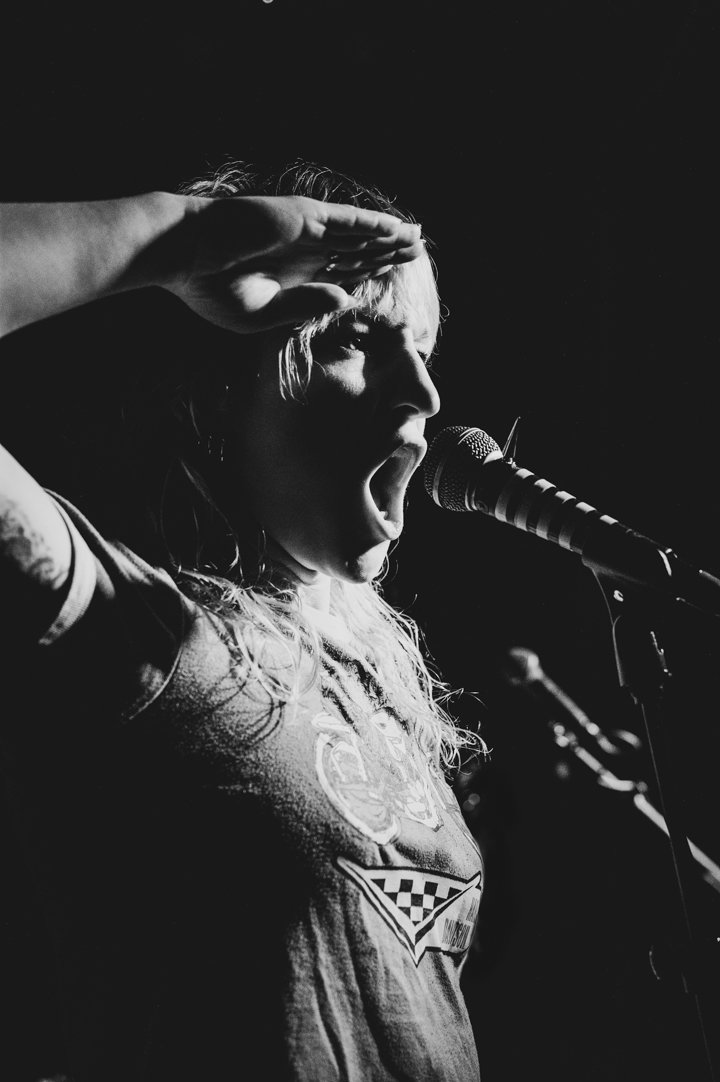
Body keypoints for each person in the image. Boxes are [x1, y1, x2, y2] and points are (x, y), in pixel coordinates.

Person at [0, 160, 487, 1081]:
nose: (423, 395)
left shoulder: (373, 688)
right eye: (353, 340)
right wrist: (174, 238)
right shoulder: (141, 633)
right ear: (215, 388)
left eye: (424, 350)